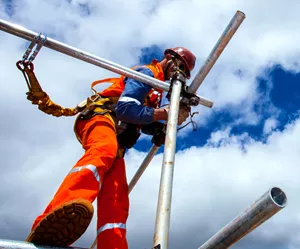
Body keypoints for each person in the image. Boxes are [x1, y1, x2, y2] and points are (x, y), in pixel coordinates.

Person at [25, 47, 196, 249]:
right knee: (103, 150)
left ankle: (113, 245)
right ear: (169, 58)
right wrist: (164, 113)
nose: (178, 74)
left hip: (118, 140)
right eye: (180, 68)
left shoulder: (154, 93)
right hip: (101, 118)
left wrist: (161, 128)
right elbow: (125, 109)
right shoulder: (148, 74)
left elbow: (145, 121)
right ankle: (58, 214)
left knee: (117, 197)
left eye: (184, 73)